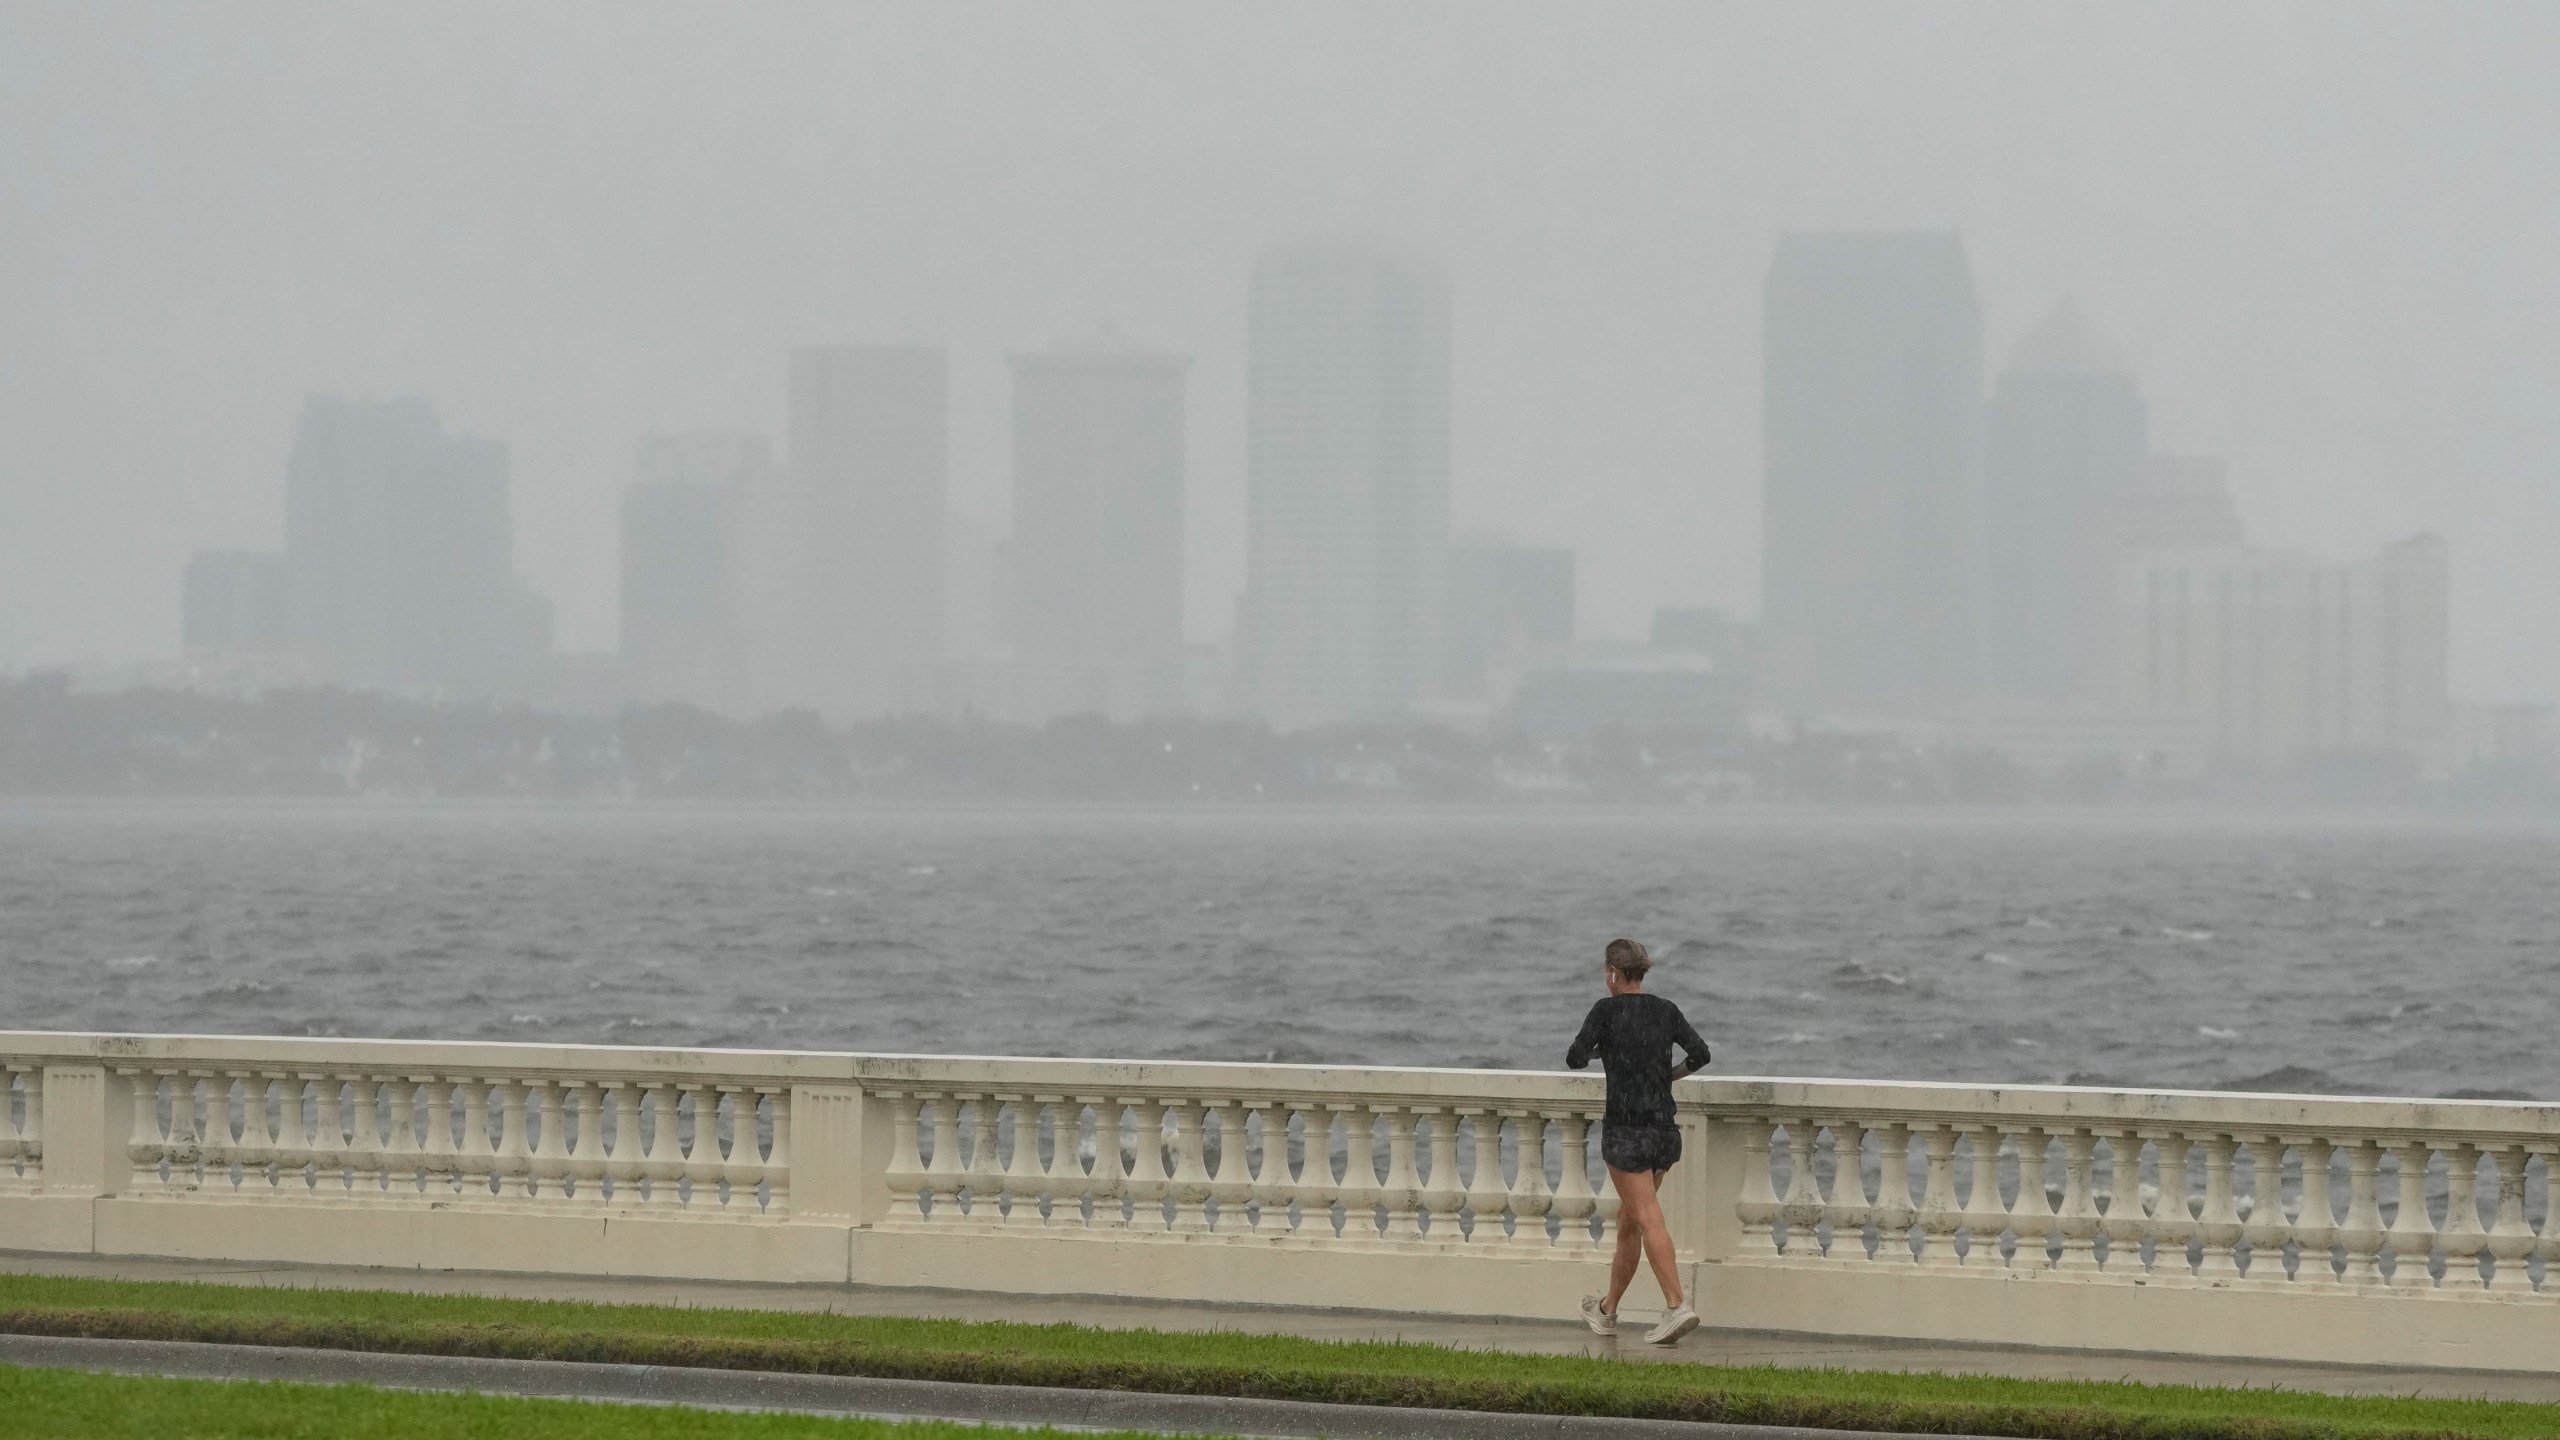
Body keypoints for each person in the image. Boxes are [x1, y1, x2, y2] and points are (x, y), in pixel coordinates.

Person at [1565, 937, 1709, 1345]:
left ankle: (1676, 1305)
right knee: (1629, 1222)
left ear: (1613, 973)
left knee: (1646, 1218)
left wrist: (1602, 1051)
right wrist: (1668, 1076)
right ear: (1641, 972)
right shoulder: (1665, 1010)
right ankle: (1608, 1310)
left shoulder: (1605, 1011)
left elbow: (1575, 1057)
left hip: (1627, 1133)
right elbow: (1700, 1054)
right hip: (1664, 1133)